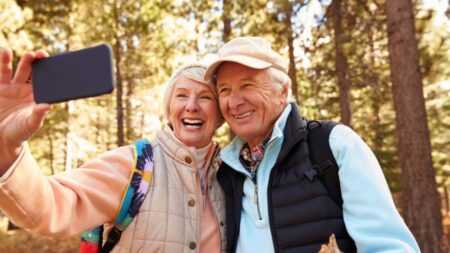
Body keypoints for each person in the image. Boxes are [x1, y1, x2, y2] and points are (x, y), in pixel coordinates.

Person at [204, 37, 421, 253]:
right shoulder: (226, 170)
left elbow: (390, 248)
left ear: (283, 92)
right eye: (224, 90)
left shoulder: (335, 145)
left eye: (247, 85)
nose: (234, 102)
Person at [0, 48, 227, 253]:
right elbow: (54, 207)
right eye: (182, 95)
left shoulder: (232, 178)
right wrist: (8, 149)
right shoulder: (135, 165)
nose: (191, 105)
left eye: (205, 97)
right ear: (169, 109)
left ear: (221, 115)